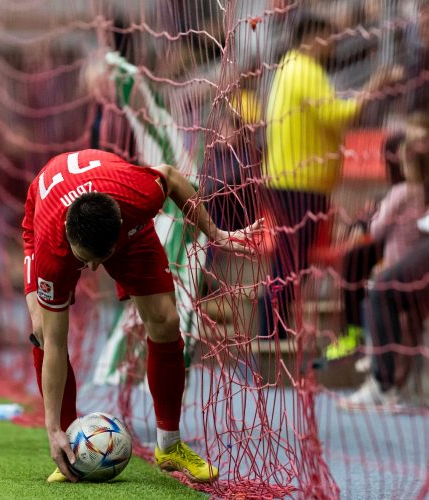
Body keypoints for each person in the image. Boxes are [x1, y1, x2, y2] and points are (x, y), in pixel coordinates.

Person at [22, 148, 262, 483]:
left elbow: (173, 177)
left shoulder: (138, 197)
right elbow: (58, 348)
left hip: (123, 224)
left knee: (165, 321)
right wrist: (49, 427)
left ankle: (170, 445)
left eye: (98, 260)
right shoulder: (55, 252)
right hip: (45, 211)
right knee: (45, 334)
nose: (92, 269)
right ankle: (66, 445)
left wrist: (216, 234)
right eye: (84, 260)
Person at [255, 9, 399, 340]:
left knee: (292, 261)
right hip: (298, 184)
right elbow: (337, 115)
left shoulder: (289, 67)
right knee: (290, 263)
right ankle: (270, 334)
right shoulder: (305, 70)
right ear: (310, 38)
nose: (333, 47)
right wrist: (375, 84)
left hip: (290, 180)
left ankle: (273, 331)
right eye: (329, 39)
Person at [340, 112, 429, 409]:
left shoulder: (403, 192)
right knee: (404, 324)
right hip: (410, 260)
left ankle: (381, 378)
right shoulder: (416, 191)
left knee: (377, 294)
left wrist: (373, 218)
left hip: (404, 261)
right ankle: (389, 377)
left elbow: (378, 229)